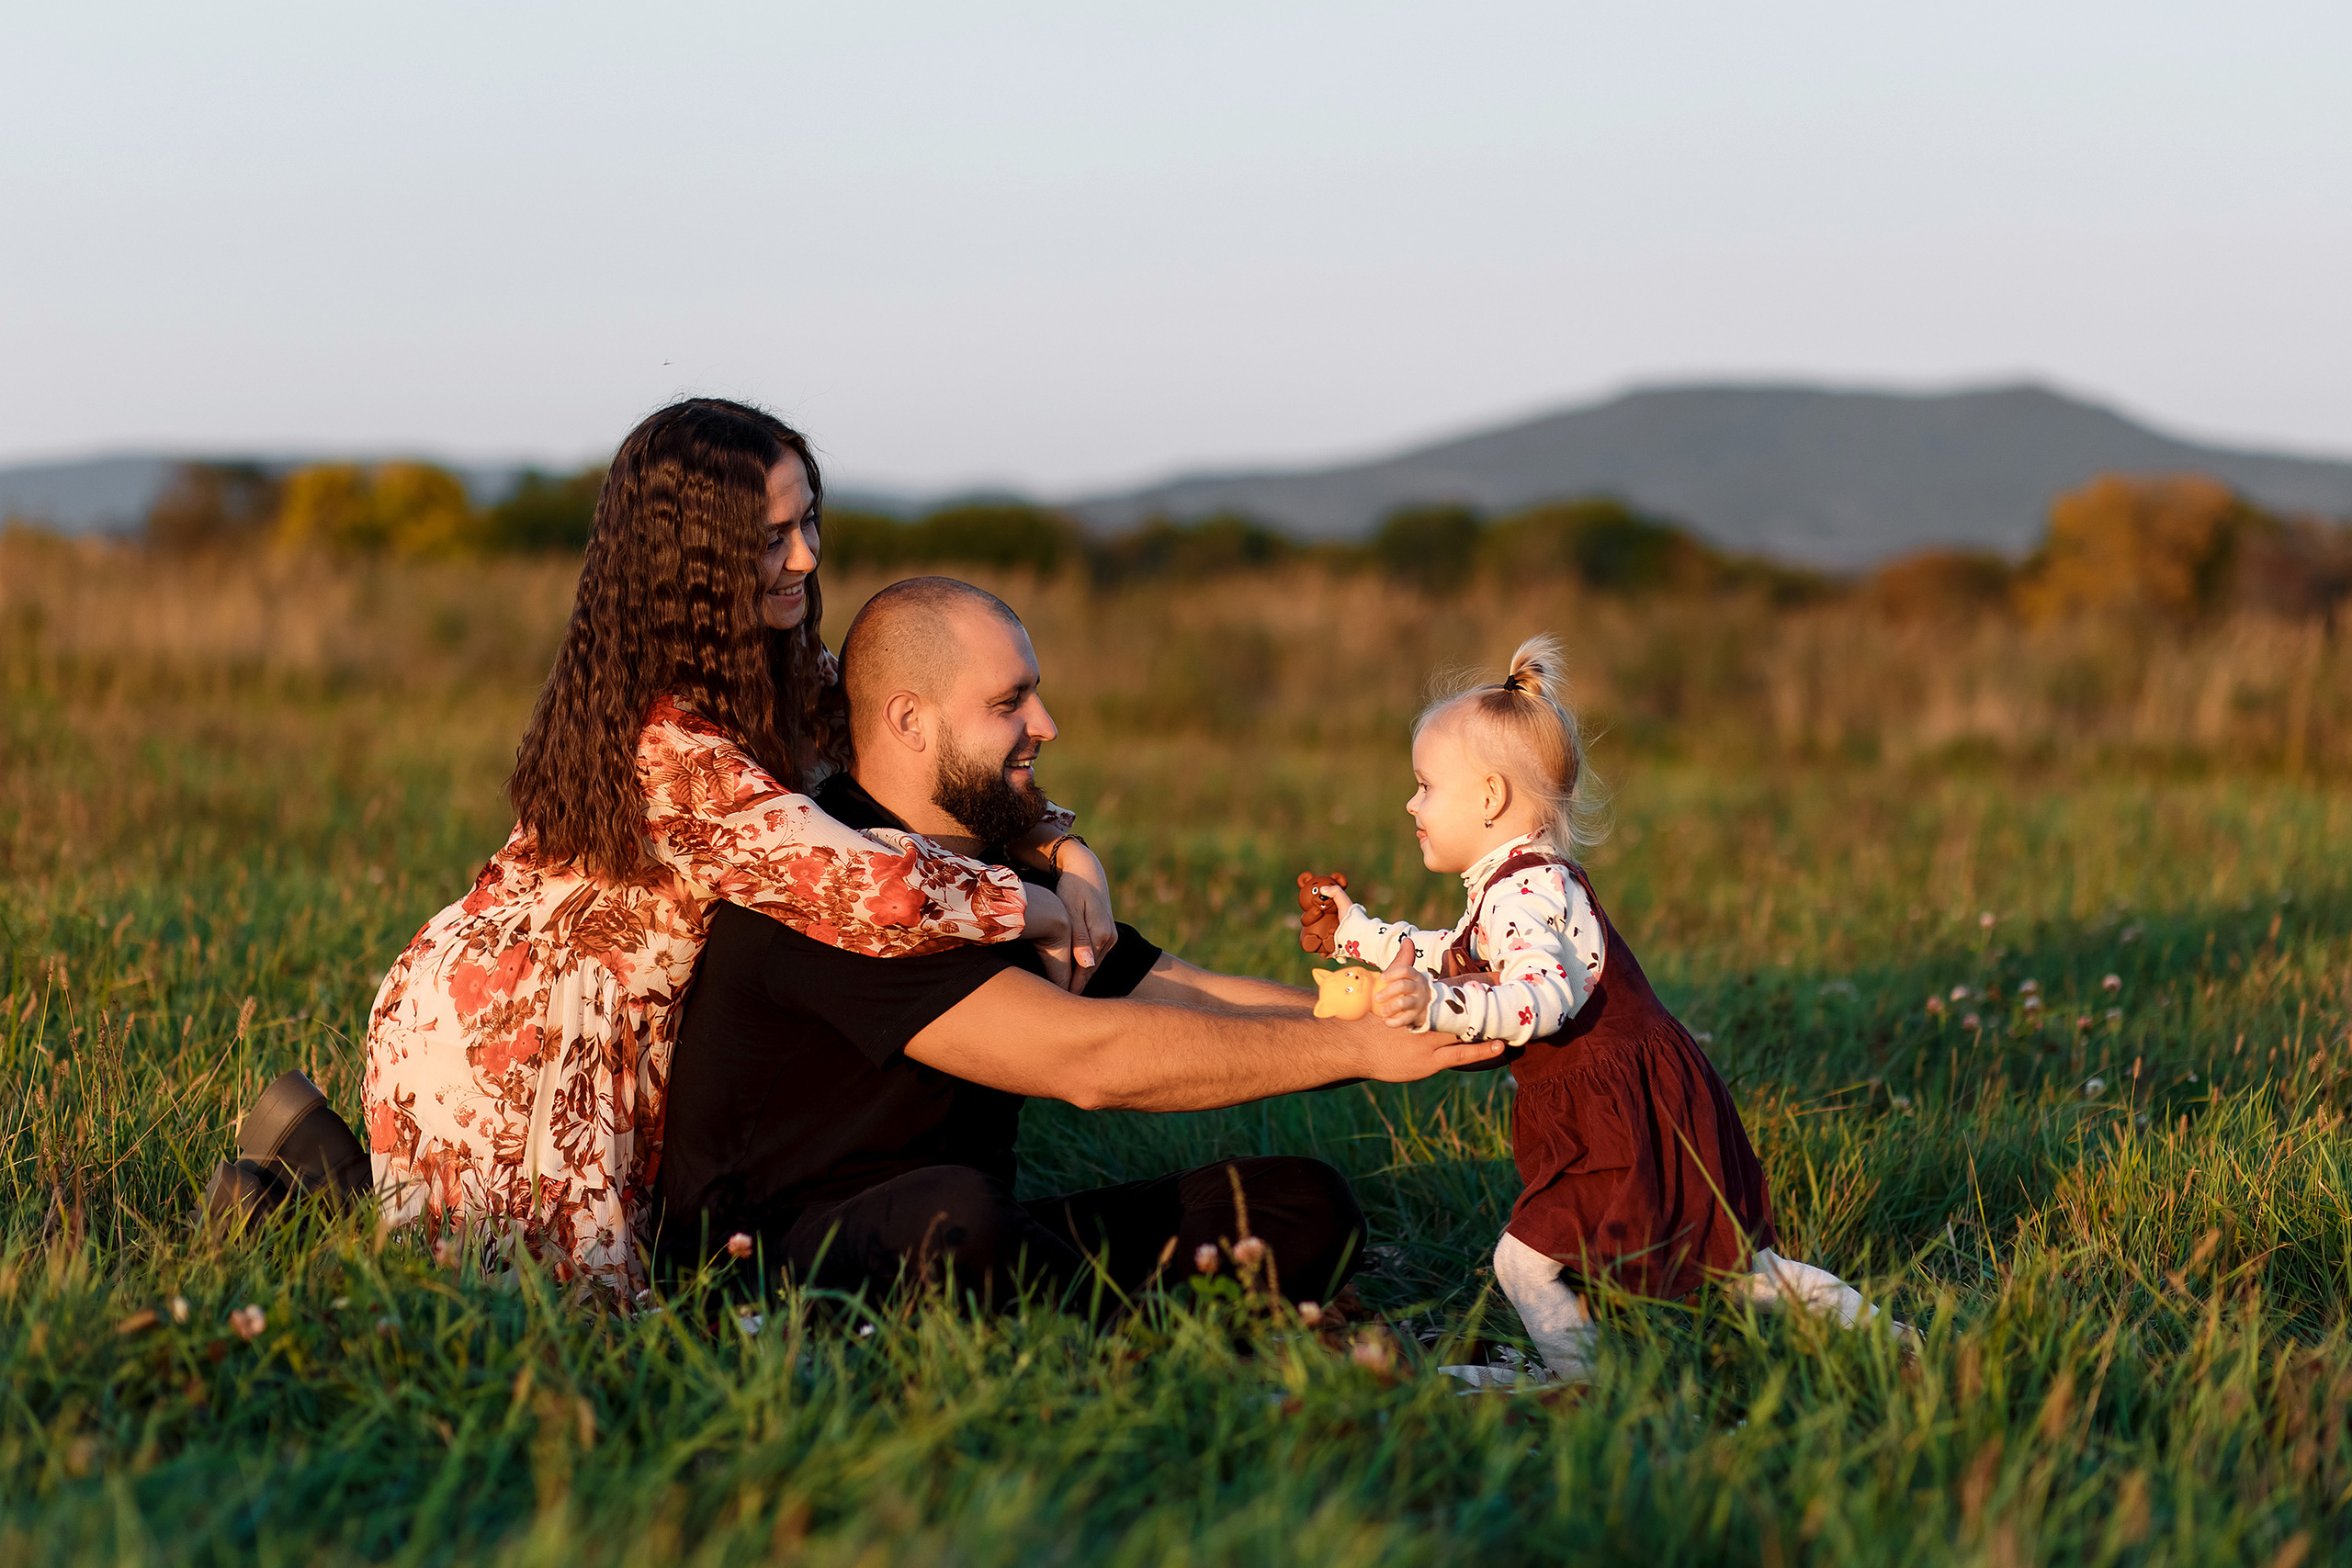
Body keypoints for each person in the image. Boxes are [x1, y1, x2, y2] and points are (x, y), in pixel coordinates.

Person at [357, 399, 1121, 1294]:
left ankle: (301, 1170)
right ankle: (295, 1190)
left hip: (611, 1021)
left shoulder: (783, 670)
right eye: (768, 539)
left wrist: (1068, 851)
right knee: (550, 1329)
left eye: (808, 523)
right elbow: (867, 892)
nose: (803, 556)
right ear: (694, 564)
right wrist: (1030, 906)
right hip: (523, 1031)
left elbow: (926, 755)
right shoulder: (671, 745)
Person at [655, 578, 1503, 1310]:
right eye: (1009, 702)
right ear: (909, 720)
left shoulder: (988, 871)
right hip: (773, 1268)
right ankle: (1132, 1337)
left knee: (1298, 1203)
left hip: (979, 1235)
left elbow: (1181, 989)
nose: (1047, 723)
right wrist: (1355, 1048)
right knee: (958, 1217)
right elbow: (1086, 1060)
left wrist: (1428, 1018)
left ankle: (1083, 1324)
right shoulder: (830, 883)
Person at [1298, 635, 1901, 1384]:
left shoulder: (1530, 890)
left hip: (1623, 1109)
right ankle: (1889, 1340)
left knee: (1526, 1263)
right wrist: (1357, 932)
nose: (1411, 803)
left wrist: (1439, 1006)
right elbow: (1450, 950)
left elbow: (1540, 999)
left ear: (1489, 798)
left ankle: (1586, 1385)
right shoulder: (1510, 883)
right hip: (1625, 1102)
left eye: (1425, 785)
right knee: (1729, 1267)